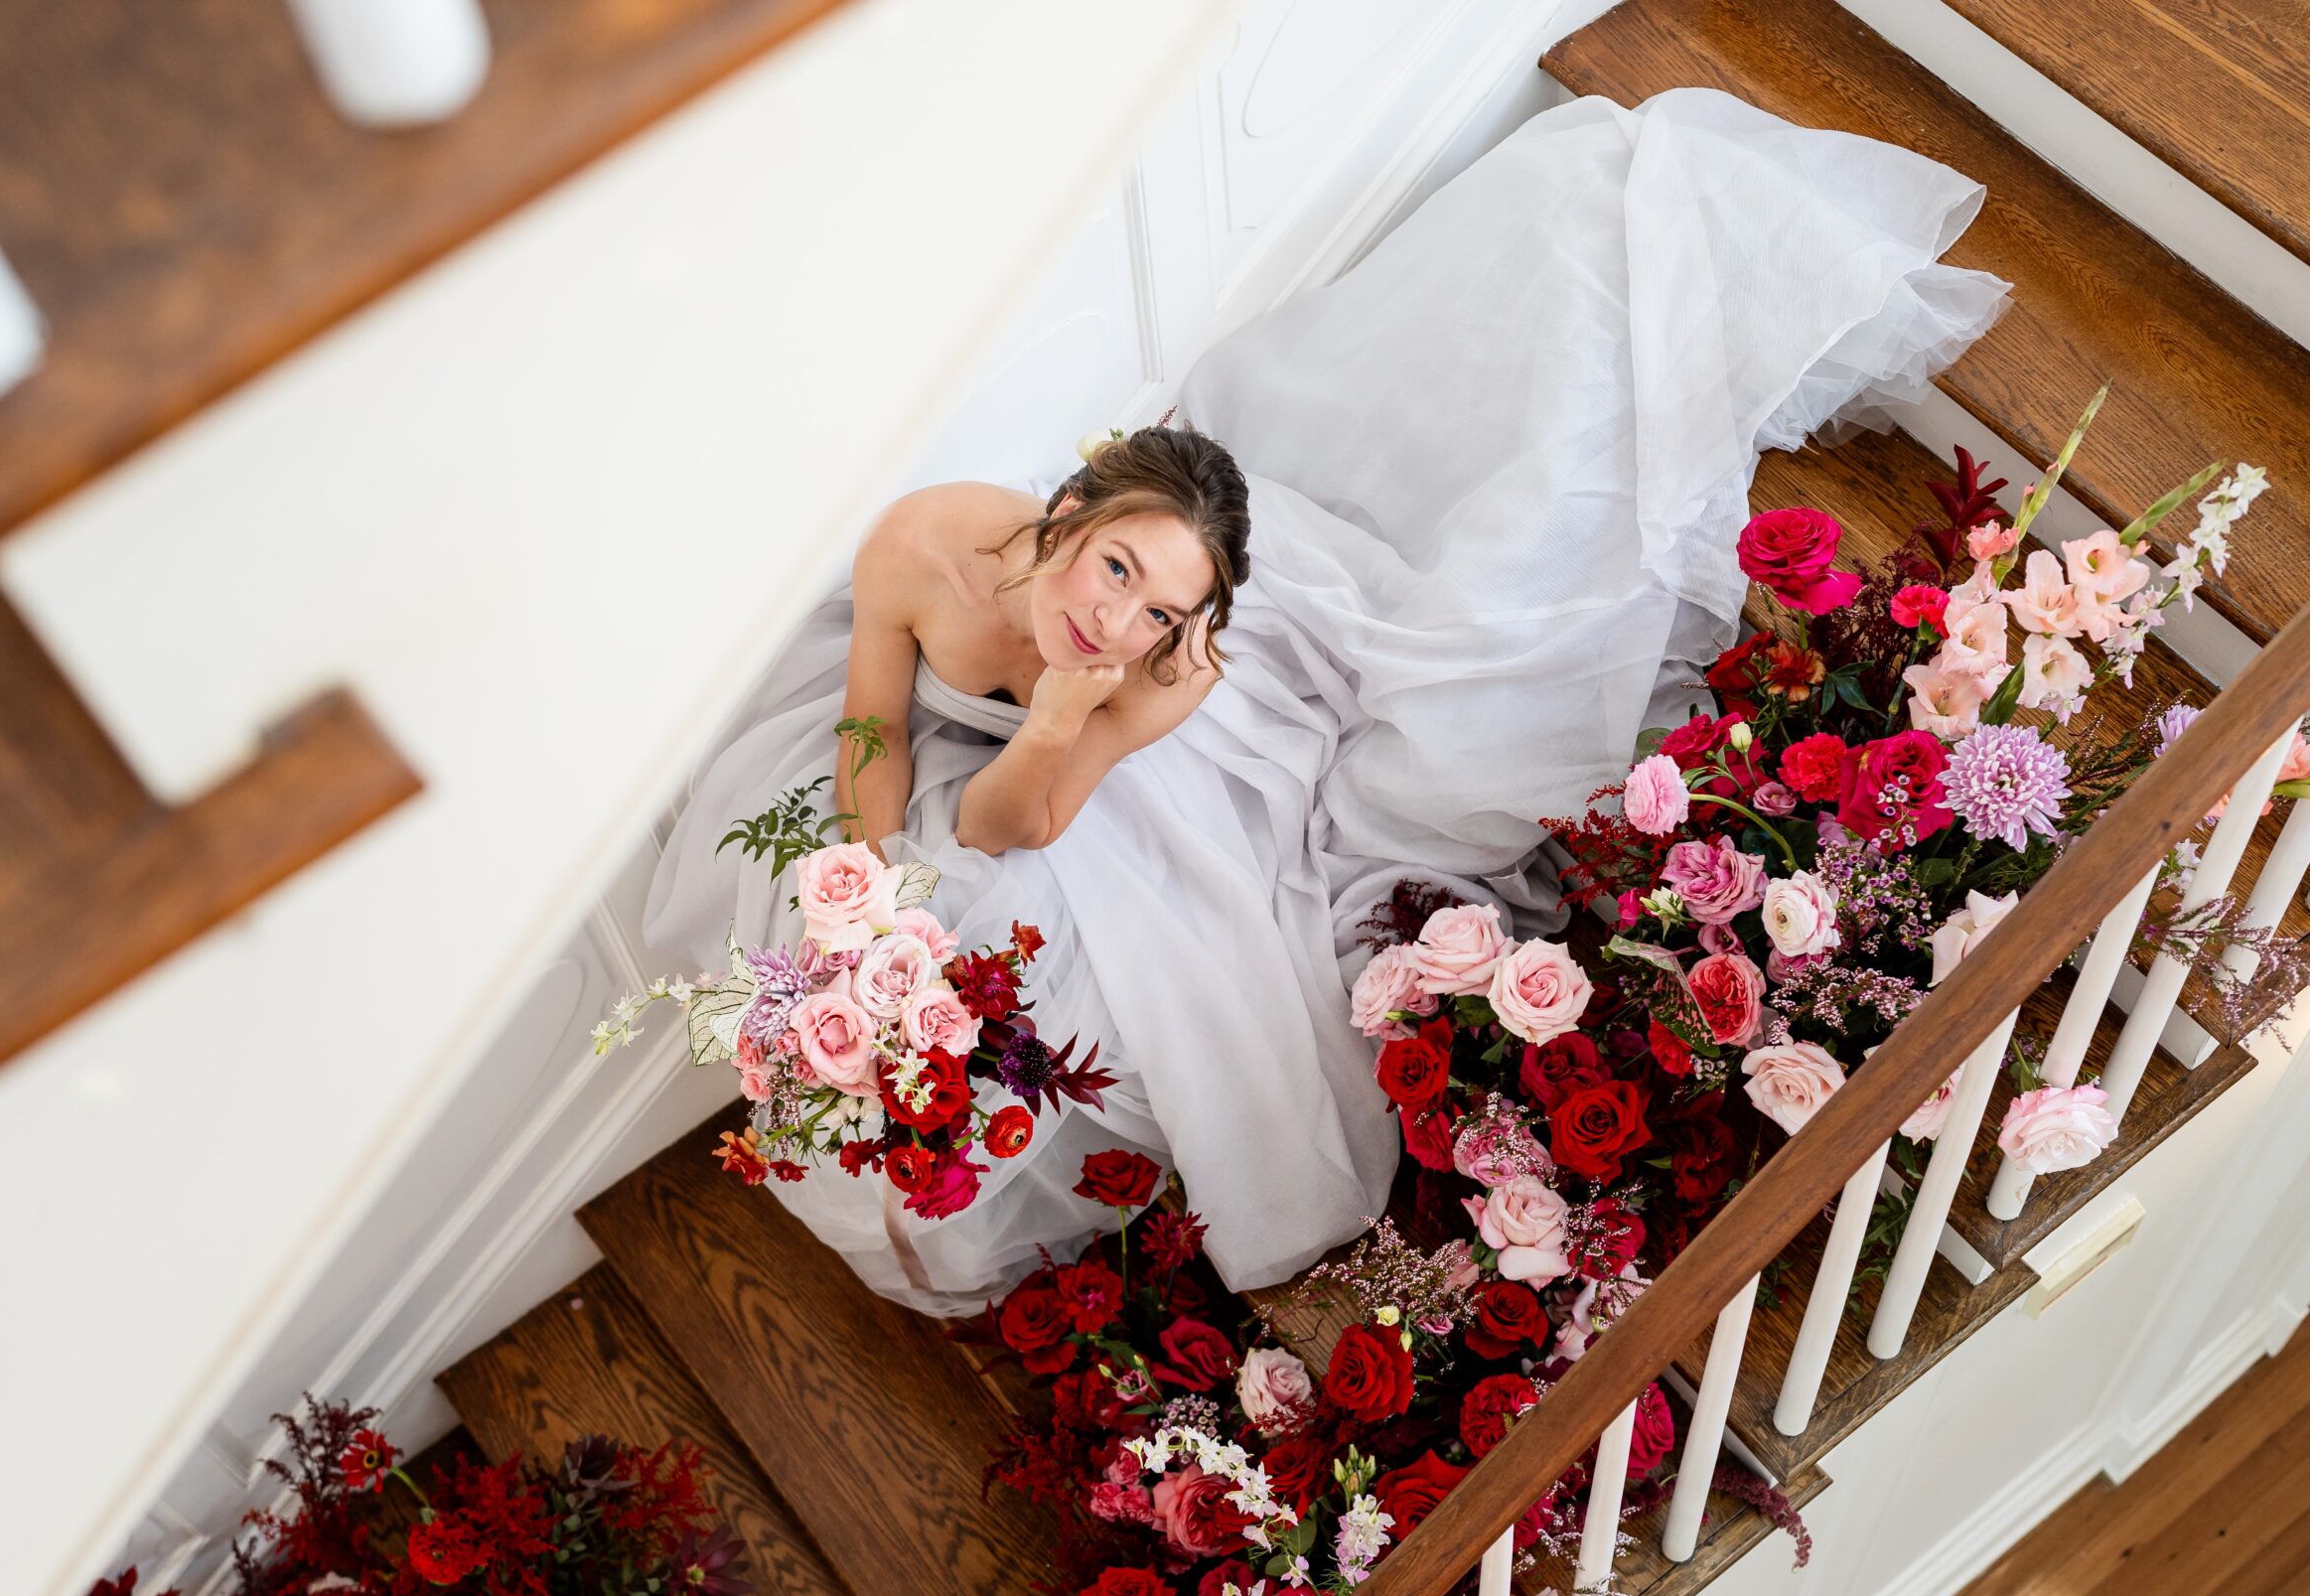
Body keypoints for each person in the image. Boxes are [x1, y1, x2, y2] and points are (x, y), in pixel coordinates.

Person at [643, 87, 2010, 1313]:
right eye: (1113, 568)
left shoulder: (1164, 674)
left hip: (1065, 771)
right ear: (1067, 512)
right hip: (983, 741)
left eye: (1156, 610)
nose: (1112, 620)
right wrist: (865, 895)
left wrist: (1066, 711)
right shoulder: (926, 539)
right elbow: (873, 728)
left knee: (1024, 923)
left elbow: (1013, 823)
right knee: (873, 911)